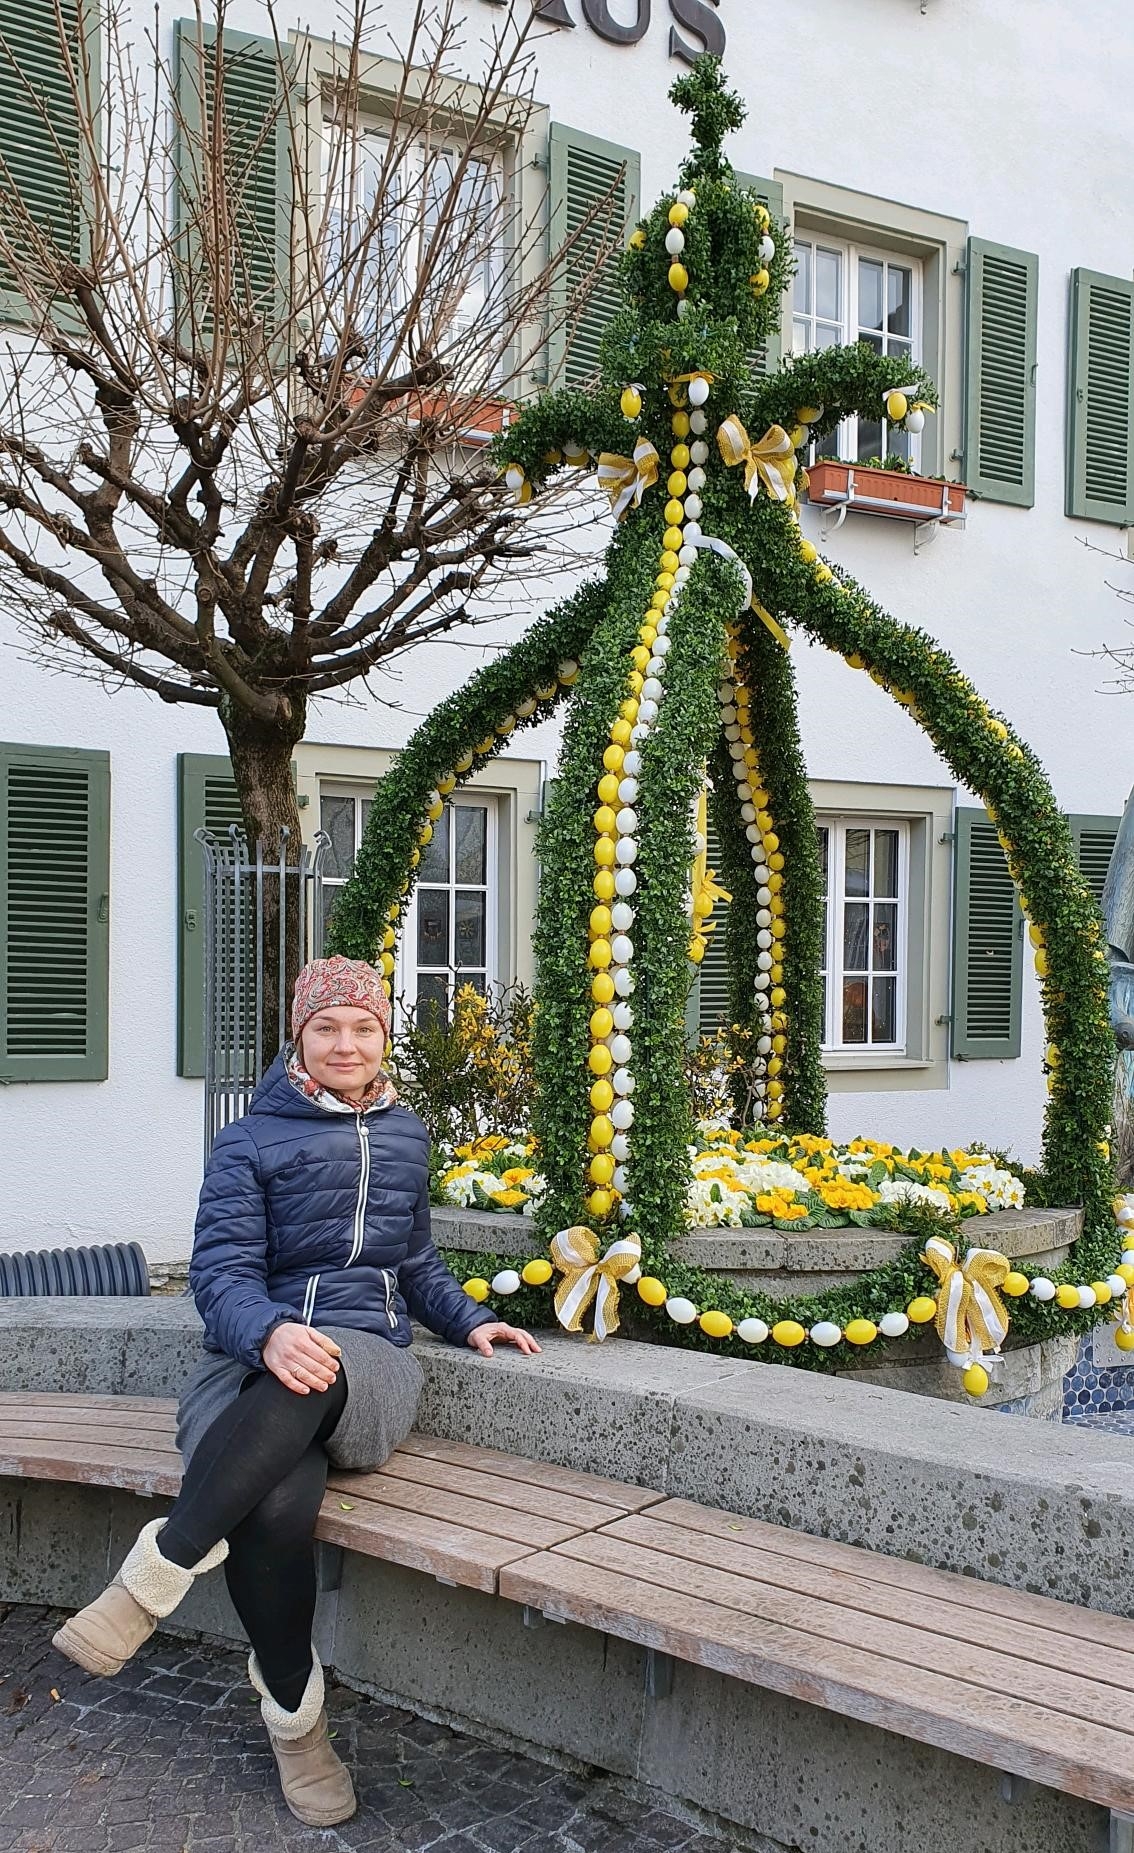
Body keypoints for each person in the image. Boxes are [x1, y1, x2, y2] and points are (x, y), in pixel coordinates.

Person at [52, 956, 539, 1828]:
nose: (346, 1044)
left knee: (319, 1365)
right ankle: (298, 1728)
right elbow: (220, 1275)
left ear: (384, 1036)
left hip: (367, 1363)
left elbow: (415, 1261)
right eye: (327, 1028)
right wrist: (270, 1331)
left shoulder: (406, 1134)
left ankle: (153, 1577)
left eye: (364, 1028)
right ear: (299, 1036)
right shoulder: (247, 1140)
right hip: (249, 1360)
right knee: (273, 1509)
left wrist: (469, 1318)